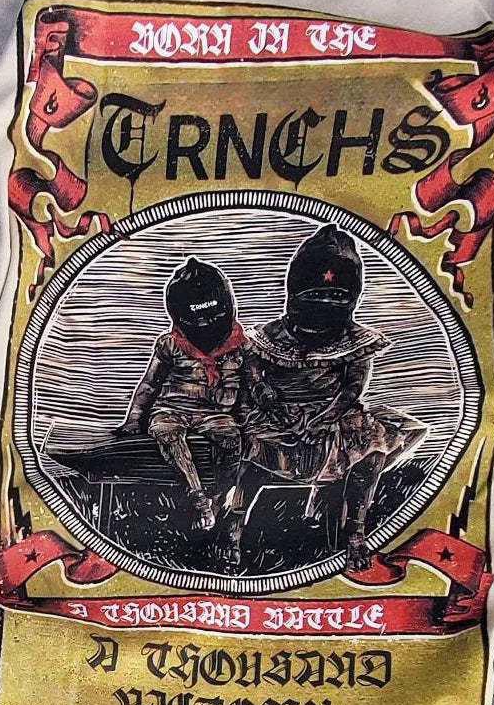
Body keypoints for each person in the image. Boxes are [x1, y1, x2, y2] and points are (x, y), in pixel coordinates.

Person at [234, 224, 427, 571]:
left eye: (335, 296)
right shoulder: (269, 335)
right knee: (249, 454)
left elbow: (354, 387)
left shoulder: (357, 340)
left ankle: (355, 532)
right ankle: (233, 524)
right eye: (315, 295)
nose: (324, 304)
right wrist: (268, 399)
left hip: (334, 417)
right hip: (277, 415)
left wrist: (324, 417)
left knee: (372, 450)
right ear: (295, 292)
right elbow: (252, 372)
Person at [122, 256, 248, 532]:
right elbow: (149, 384)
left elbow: (250, 386)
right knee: (166, 433)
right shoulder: (170, 344)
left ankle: (220, 499)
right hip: (172, 408)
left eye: (213, 317)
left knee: (231, 440)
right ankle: (198, 498)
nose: (205, 325)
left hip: (215, 414)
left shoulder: (241, 346)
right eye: (197, 319)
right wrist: (134, 420)